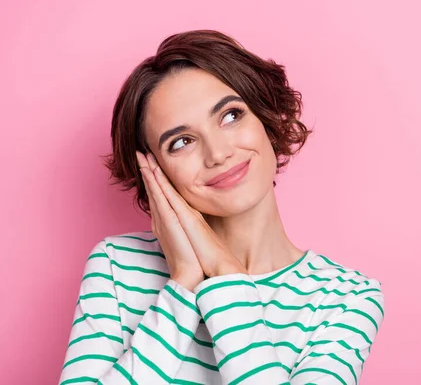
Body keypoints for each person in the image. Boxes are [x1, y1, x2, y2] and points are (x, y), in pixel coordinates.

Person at [59, 29, 385, 385]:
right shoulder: (117, 265)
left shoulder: (345, 297)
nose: (218, 153)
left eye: (230, 116)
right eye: (181, 142)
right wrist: (182, 285)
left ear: (266, 119)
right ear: (153, 171)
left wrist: (223, 273)